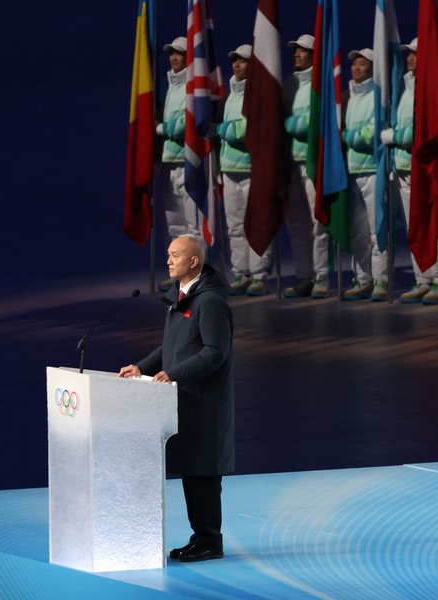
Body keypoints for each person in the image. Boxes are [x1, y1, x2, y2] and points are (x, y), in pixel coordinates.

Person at [119, 234, 234, 563]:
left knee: (203, 473)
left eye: (174, 255)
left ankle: (210, 540)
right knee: (191, 469)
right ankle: (200, 537)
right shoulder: (183, 295)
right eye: (168, 254)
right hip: (185, 399)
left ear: (193, 262)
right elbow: (172, 347)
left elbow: (216, 352)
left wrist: (176, 373)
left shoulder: (209, 301)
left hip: (204, 401)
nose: (168, 261)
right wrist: (141, 366)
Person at [381, 38, 438, 305]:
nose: (410, 58)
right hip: (405, 167)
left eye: (415, 54)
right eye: (408, 54)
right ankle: (422, 279)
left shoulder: (430, 89)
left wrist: (395, 137)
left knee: (433, 226)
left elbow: (427, 130)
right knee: (414, 226)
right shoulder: (404, 89)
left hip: (425, 167)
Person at [218, 44, 273, 297]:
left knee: (257, 222)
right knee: (234, 225)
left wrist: (221, 129)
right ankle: (241, 271)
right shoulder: (231, 95)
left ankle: (260, 274)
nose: (237, 65)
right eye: (235, 60)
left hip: (252, 170)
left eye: (243, 61)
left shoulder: (259, 96)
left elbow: (243, 131)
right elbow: (231, 132)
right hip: (229, 170)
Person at [282, 34, 330, 299]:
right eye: (296, 51)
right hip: (292, 166)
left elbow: (317, 124)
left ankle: (322, 276)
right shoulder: (288, 87)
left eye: (303, 51)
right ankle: (304, 275)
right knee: (297, 224)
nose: (297, 55)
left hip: (314, 165)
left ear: (314, 55)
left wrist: (294, 124)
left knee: (317, 222)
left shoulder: (321, 87)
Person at [157, 37, 202, 292]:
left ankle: (196, 275)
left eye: (179, 54)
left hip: (188, 161)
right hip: (168, 162)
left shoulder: (192, 87)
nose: (174, 58)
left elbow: (187, 124)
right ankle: (178, 274)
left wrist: (160, 129)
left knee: (192, 222)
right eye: (172, 54)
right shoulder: (169, 87)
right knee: (173, 222)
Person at [341, 48, 387, 301]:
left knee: (376, 228)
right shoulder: (348, 97)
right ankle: (363, 278)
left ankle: (381, 280)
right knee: (358, 230)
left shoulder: (377, 96)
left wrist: (348, 136)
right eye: (355, 63)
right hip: (351, 171)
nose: (357, 67)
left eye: (363, 63)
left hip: (372, 170)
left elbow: (371, 134)